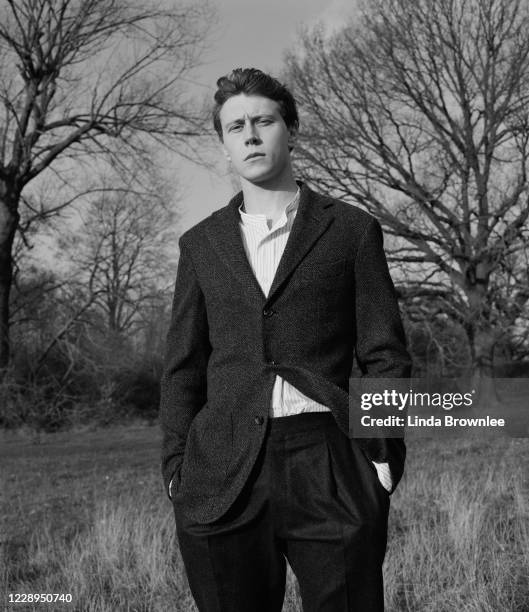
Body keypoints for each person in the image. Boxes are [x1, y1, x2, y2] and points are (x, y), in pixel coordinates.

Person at [159, 67, 412, 612]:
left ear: (290, 131)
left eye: (263, 121)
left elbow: (385, 353)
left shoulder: (351, 229)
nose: (249, 134)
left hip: (330, 457)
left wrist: (383, 456)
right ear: (224, 147)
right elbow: (183, 367)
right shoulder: (199, 245)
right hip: (223, 468)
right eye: (234, 127)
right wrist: (177, 468)